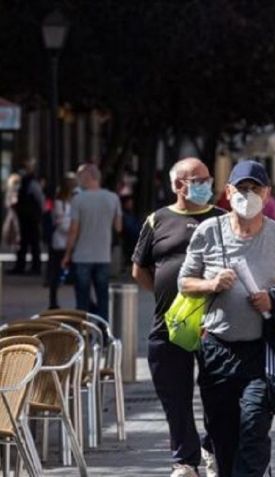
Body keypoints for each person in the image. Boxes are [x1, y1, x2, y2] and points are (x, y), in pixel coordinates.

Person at [179, 160, 275, 477]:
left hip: (262, 352)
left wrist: (274, 298)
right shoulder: (208, 232)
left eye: (255, 188)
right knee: (222, 434)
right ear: (228, 192)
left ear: (267, 194)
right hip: (217, 350)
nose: (247, 194)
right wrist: (210, 284)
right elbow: (185, 282)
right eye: (241, 188)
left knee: (253, 425)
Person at [132, 157, 223, 477]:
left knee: (218, 394)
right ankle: (185, 460)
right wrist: (165, 295)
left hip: (216, 326)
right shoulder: (157, 220)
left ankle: (213, 448)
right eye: (196, 179)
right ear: (177, 186)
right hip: (168, 325)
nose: (204, 184)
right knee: (174, 395)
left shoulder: (222, 219)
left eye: (206, 178)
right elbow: (140, 269)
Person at [62, 164, 121, 320]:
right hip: (103, 256)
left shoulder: (78, 199)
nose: (78, 181)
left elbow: (73, 230)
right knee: (103, 299)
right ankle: (104, 334)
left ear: (88, 177)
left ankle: (84, 333)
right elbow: (118, 227)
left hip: (82, 256)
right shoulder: (113, 198)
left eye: (80, 177)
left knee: (82, 301)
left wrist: (67, 254)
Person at [48, 173, 77, 309]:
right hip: (60, 243)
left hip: (73, 242)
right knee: (55, 272)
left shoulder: (75, 201)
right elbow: (60, 223)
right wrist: (73, 227)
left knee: (79, 274)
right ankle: (53, 301)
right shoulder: (59, 203)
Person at [11, 158, 45, 275]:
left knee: (33, 242)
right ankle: (21, 266)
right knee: (24, 242)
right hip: (25, 216)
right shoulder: (24, 182)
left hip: (31, 217)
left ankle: (35, 267)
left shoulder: (32, 182)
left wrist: (40, 213)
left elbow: (40, 199)